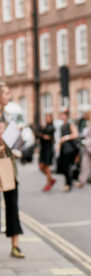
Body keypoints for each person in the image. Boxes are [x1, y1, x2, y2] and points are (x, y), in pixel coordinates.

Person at [0, 82, 24, 258]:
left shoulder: (8, 117)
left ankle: (15, 245)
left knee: (12, 204)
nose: (9, 96)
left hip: (8, 164)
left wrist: (16, 135)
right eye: (6, 93)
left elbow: (12, 142)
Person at [57, 110, 79, 192]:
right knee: (65, 167)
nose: (62, 117)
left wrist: (65, 137)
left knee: (68, 167)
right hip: (64, 149)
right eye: (61, 115)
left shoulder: (70, 124)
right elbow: (60, 139)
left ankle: (68, 184)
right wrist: (58, 147)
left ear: (66, 116)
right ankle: (68, 183)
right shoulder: (62, 126)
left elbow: (75, 135)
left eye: (63, 115)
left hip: (70, 149)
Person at [38, 113, 56, 191]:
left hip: (48, 149)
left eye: (48, 118)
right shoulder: (45, 127)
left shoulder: (52, 127)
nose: (47, 119)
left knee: (47, 167)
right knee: (41, 167)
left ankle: (48, 184)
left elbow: (47, 137)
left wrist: (42, 135)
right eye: (46, 118)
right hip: (43, 149)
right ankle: (51, 179)